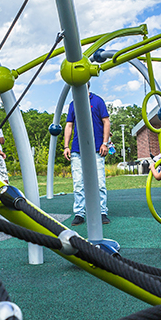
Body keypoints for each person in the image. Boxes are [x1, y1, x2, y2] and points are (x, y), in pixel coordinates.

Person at [63, 83, 111, 226]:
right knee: (78, 184)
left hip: (96, 148)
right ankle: (79, 213)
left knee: (100, 182)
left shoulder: (97, 101)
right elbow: (69, 125)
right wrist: (66, 146)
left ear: (87, 85)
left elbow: (106, 122)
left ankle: (102, 211)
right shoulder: (73, 104)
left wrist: (105, 143)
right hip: (78, 150)